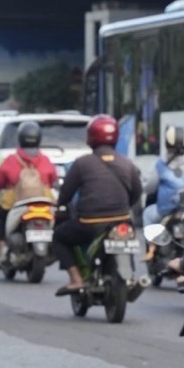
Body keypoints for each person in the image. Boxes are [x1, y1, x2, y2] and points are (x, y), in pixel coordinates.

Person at [52, 114, 142, 295]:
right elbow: (136, 194)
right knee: (128, 240)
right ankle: (130, 277)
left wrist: (60, 206)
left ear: (91, 137)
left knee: (58, 237)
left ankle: (76, 279)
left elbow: (66, 195)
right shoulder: (128, 164)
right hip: (122, 222)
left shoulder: (81, 164)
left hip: (89, 224)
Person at [0, 121, 57, 262]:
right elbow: (54, 180)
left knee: (1, 213)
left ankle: (2, 245)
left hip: (17, 202)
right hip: (44, 202)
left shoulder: (11, 160)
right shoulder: (45, 160)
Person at [143, 126, 184, 259]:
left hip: (165, 210)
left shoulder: (160, 165)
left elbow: (149, 187)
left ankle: (151, 251)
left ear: (167, 144)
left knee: (147, 215)